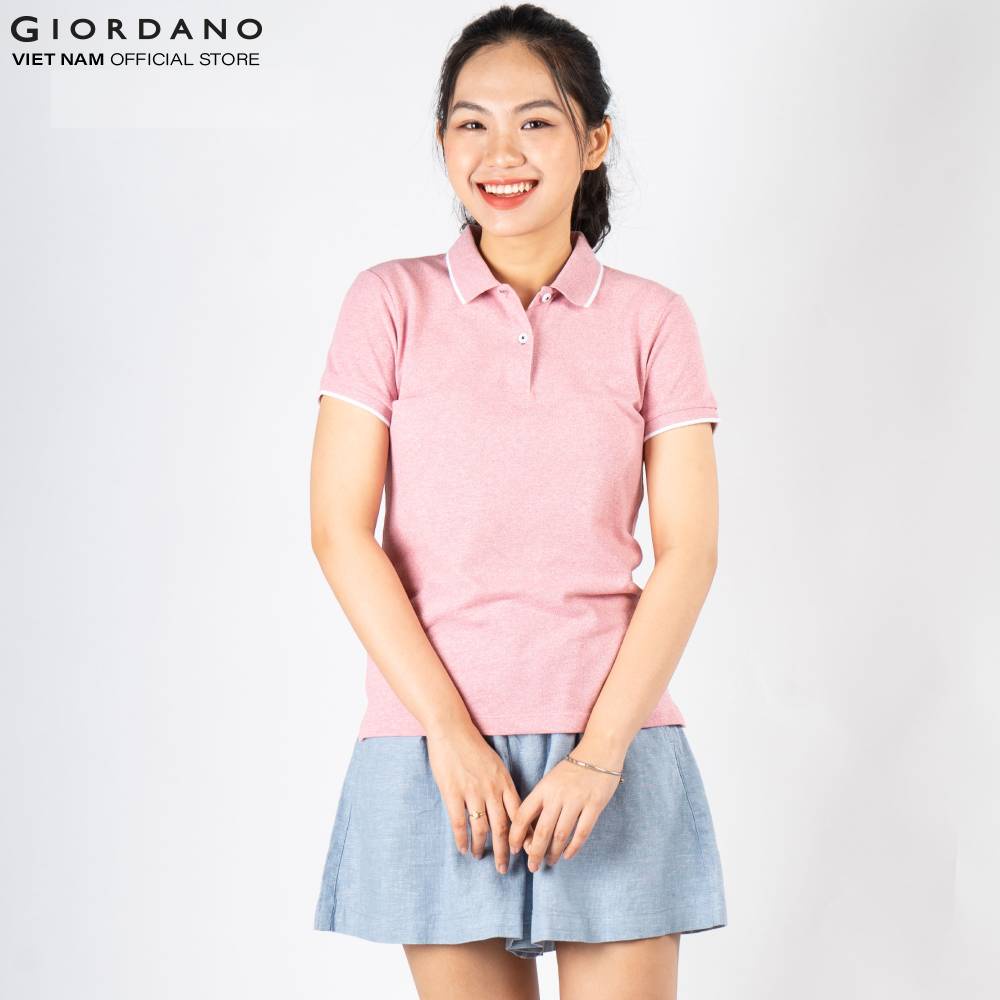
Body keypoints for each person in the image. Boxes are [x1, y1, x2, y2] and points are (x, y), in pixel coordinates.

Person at [309, 5, 727, 997]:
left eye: (536, 122)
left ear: (594, 140)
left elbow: (689, 552)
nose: (501, 152)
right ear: (443, 140)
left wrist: (599, 756)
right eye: (472, 123)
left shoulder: (652, 320)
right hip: (432, 746)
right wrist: (447, 735)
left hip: (613, 740)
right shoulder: (388, 302)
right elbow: (339, 532)